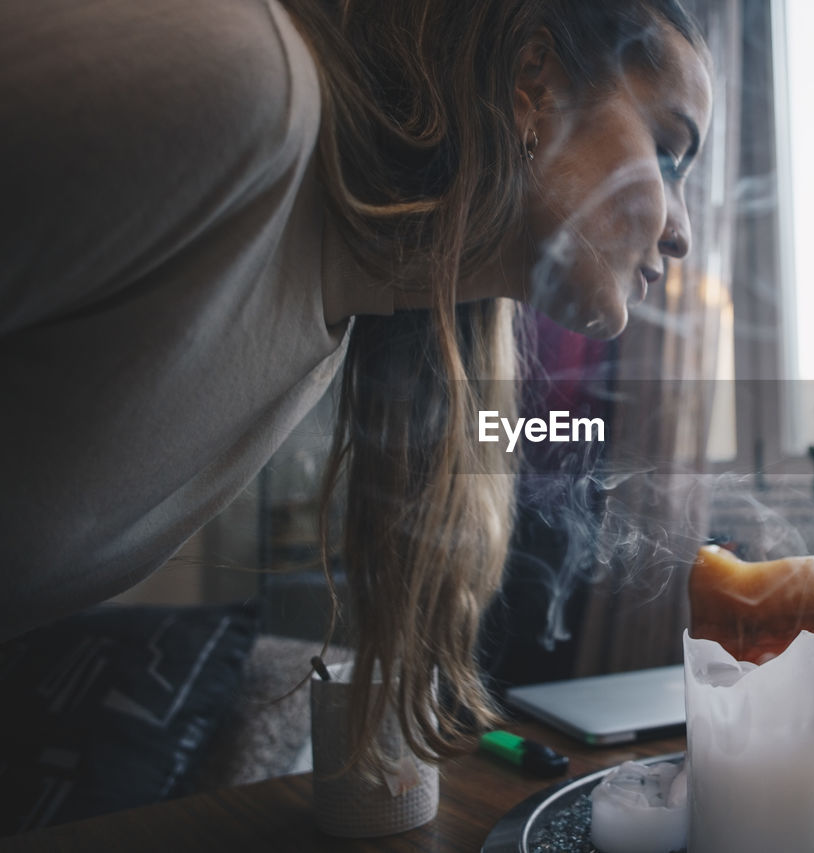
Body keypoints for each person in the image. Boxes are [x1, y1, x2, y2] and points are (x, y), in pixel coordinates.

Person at [0, 0, 712, 770]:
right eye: (669, 153)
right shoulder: (241, 91)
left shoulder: (341, 319)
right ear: (532, 83)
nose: (682, 232)